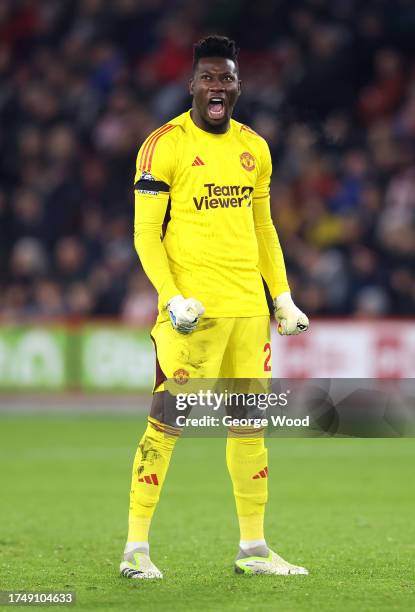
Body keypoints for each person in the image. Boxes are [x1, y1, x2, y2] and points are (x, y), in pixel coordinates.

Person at [120, 35, 309, 579]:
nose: (217, 87)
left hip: (249, 312)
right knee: (167, 423)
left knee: (249, 428)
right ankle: (136, 549)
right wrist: (171, 297)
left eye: (225, 78)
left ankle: (254, 550)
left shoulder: (256, 147)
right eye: (208, 78)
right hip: (192, 316)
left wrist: (283, 296)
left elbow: (263, 227)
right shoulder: (164, 145)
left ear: (238, 86)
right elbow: (144, 233)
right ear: (192, 85)